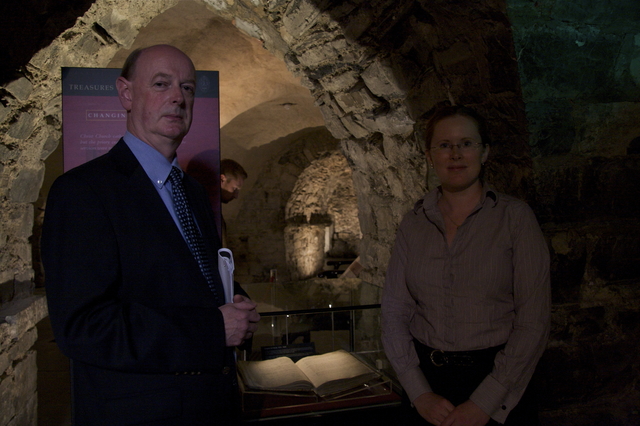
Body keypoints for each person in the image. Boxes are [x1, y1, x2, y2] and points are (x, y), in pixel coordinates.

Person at [41, 44, 260, 426]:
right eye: (161, 84)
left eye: (188, 88)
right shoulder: (82, 192)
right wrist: (212, 329)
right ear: (126, 93)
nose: (178, 97)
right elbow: (82, 326)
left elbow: (189, 280)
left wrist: (236, 300)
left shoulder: (190, 190)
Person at [381, 105, 550, 426]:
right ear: (430, 156)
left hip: (497, 381)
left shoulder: (515, 219)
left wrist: (485, 402)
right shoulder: (413, 224)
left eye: (467, 143)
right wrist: (419, 393)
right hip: (429, 386)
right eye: (444, 145)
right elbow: (393, 311)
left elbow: (534, 321)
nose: (455, 154)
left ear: (484, 152)